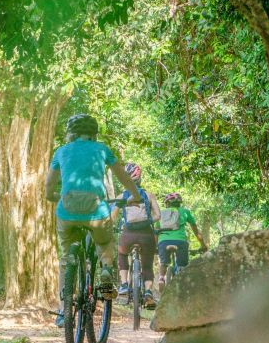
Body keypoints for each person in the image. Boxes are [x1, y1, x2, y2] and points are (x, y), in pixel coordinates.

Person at [45, 114, 142, 327]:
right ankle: (106, 270)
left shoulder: (61, 151)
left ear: (70, 133)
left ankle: (63, 311)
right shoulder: (102, 149)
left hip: (67, 211)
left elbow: (49, 185)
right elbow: (123, 176)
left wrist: (52, 196)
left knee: (65, 258)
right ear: (94, 134)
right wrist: (135, 196)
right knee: (105, 244)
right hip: (96, 210)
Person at [115, 163, 162, 309]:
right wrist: (148, 221)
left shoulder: (121, 196)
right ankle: (148, 293)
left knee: (122, 254)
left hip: (128, 235)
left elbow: (114, 216)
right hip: (146, 234)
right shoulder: (148, 195)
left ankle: (123, 285)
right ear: (139, 178)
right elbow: (158, 216)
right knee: (147, 264)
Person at [156, 192, 208, 288]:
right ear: (179, 203)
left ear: (167, 203)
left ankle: (161, 278)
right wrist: (203, 245)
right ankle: (181, 277)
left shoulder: (161, 214)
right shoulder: (185, 212)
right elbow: (195, 230)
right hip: (180, 242)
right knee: (182, 267)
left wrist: (155, 246)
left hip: (163, 242)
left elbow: (156, 232)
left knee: (164, 263)